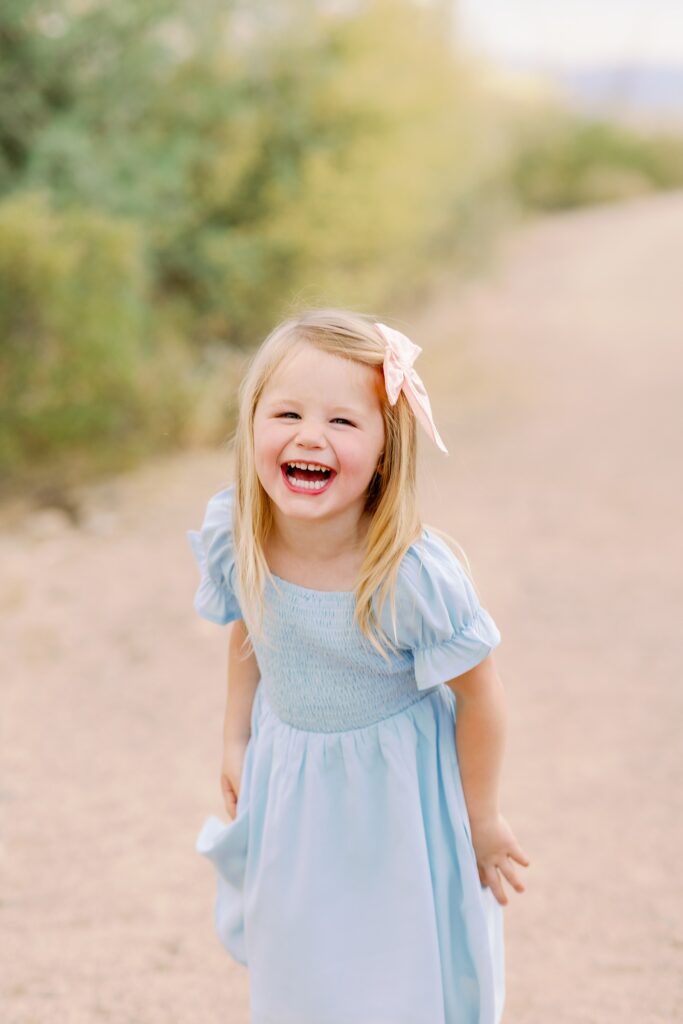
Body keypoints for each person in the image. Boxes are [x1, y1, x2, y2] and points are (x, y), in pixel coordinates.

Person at [187, 308, 530, 1024]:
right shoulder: (241, 536)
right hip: (295, 784)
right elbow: (252, 629)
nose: (310, 435)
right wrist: (233, 737)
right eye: (287, 413)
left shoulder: (406, 576)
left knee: (394, 958)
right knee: (302, 951)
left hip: (397, 794)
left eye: (343, 423)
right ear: (253, 425)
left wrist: (482, 815)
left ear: (384, 451)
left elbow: (481, 695)